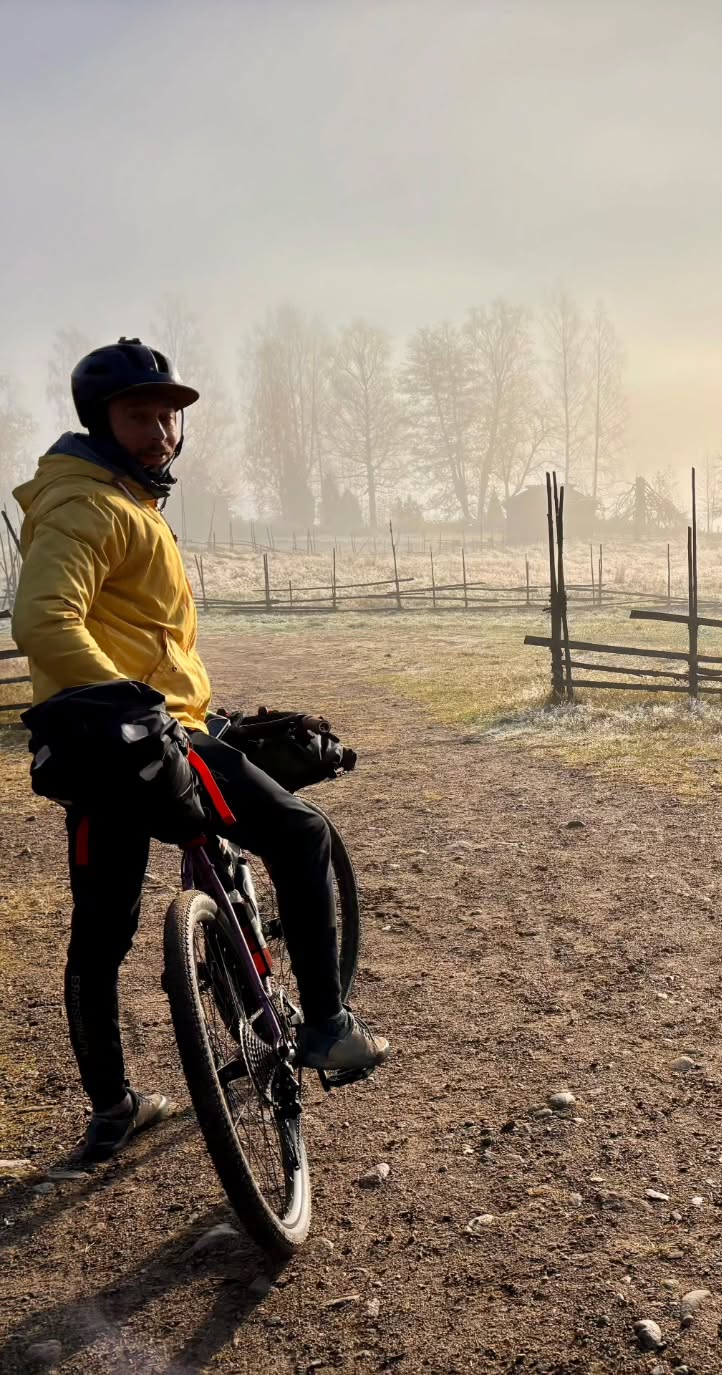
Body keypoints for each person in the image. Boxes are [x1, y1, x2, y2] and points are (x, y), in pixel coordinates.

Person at [10, 338, 388, 1165]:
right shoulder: (91, 508)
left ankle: (113, 1107)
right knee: (302, 833)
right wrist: (139, 705)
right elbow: (43, 621)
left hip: (95, 753)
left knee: (98, 938)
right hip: (151, 734)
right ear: (99, 421)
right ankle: (326, 1026)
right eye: (141, 415)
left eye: (170, 416)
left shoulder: (119, 502)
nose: (162, 432)